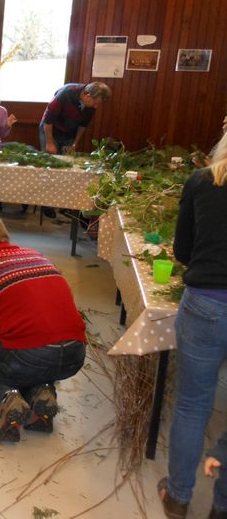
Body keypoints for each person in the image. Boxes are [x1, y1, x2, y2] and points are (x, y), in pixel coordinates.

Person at [0, 214, 87, 442]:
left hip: (31, 353)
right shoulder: (38, 256)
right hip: (75, 353)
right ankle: (42, 394)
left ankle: (6, 401)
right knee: (29, 365)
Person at [158, 131, 227, 519]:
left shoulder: (203, 181)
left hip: (206, 302)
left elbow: (182, 250)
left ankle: (179, 497)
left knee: (191, 404)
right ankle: (222, 505)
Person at [39, 81, 111, 155]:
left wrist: (74, 144)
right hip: (51, 130)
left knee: (66, 161)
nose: (96, 106)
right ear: (87, 96)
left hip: (69, 133)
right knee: (50, 159)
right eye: (95, 103)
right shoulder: (64, 94)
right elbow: (48, 120)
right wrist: (49, 143)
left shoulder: (91, 105)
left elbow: (83, 125)